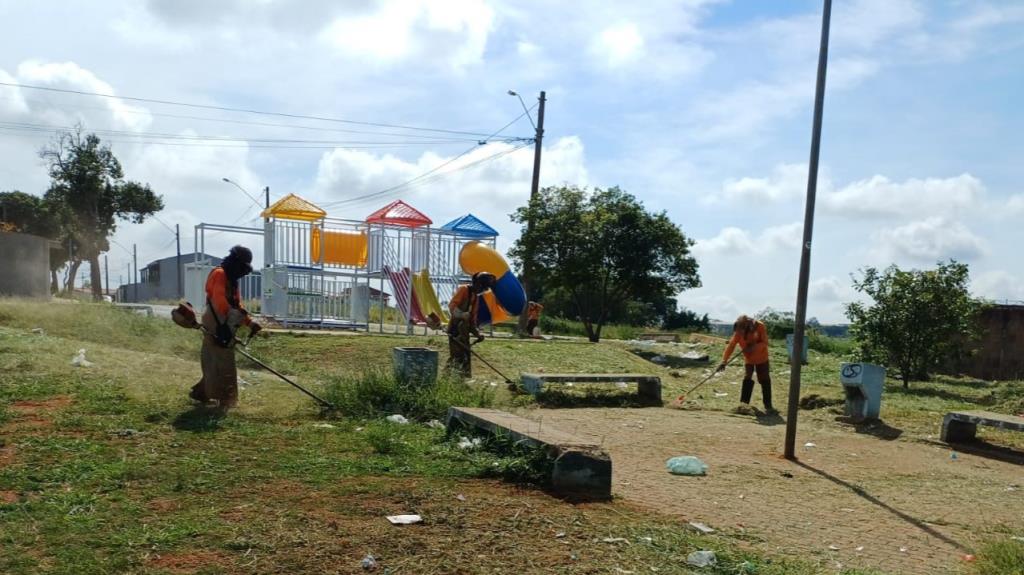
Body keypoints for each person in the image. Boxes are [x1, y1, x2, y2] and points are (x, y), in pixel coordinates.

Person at [190, 245, 261, 409]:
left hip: (225, 321)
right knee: (223, 361)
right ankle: (226, 400)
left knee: (216, 361)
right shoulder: (219, 274)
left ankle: (202, 393)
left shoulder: (232, 280)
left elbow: (237, 305)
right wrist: (232, 318)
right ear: (235, 262)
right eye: (242, 268)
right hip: (215, 321)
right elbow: (219, 301)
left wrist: (250, 323)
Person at [718, 314, 775, 414]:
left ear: (746, 326)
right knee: (747, 377)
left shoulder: (760, 326)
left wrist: (753, 347)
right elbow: (731, 345)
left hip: (762, 357)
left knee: (764, 379)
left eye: (741, 331)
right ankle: (743, 405)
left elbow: (765, 343)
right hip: (749, 358)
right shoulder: (738, 332)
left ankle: (768, 406)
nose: (739, 334)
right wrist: (724, 361)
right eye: (738, 332)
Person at [446, 272, 496, 377]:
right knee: (457, 356)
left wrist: (477, 334)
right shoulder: (463, 289)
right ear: (477, 284)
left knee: (466, 357)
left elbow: (472, 320)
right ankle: (447, 377)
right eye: (482, 288)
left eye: (485, 289)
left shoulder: (476, 297)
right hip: (455, 329)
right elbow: (452, 305)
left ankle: (461, 380)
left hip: (464, 332)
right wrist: (461, 314)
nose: (482, 291)